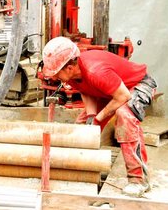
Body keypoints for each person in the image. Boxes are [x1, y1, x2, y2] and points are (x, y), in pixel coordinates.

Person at [41, 36, 157, 198]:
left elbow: (123, 96)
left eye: (55, 73)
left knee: (125, 116)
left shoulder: (96, 71)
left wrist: (99, 118)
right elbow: (85, 89)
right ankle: (81, 170)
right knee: (82, 126)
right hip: (110, 90)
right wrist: (91, 116)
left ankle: (138, 179)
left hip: (136, 85)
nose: (53, 78)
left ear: (69, 68)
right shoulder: (72, 73)